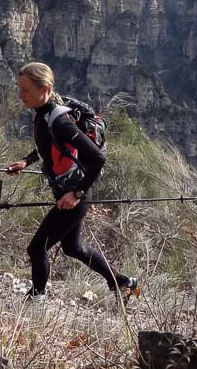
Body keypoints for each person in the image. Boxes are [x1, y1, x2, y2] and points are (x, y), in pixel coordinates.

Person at [7, 62, 138, 308]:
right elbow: (49, 146)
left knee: (37, 248)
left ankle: (36, 303)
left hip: (76, 195)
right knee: (74, 248)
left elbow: (97, 158)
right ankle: (122, 281)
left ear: (44, 89)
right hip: (69, 192)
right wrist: (26, 161)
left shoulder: (59, 120)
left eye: (25, 89)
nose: (20, 94)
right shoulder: (44, 114)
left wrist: (76, 193)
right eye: (19, 88)